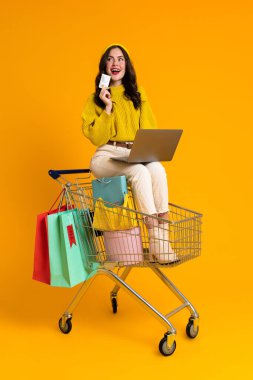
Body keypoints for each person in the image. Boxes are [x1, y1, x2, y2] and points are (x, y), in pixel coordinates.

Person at [81, 43, 177, 263]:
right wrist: (106, 106)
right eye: (111, 59)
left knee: (157, 169)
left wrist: (148, 148)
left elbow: (150, 127)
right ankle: (157, 240)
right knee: (139, 173)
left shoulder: (138, 94)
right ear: (104, 66)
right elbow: (96, 137)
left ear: (127, 65)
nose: (116, 63)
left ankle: (162, 239)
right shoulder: (93, 100)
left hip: (134, 151)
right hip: (106, 155)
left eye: (121, 59)